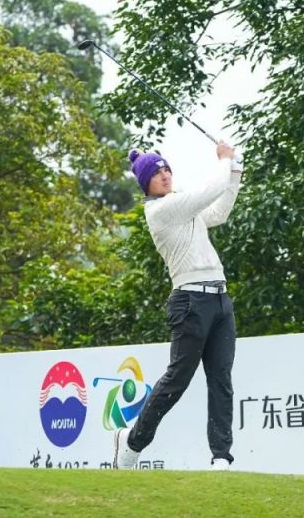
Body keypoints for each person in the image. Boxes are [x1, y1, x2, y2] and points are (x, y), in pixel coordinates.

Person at [114, 141, 243, 471]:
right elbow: (209, 191)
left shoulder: (184, 210)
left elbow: (219, 211)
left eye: (167, 169)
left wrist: (235, 171)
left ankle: (221, 456)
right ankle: (133, 442)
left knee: (221, 379)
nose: (165, 175)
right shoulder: (162, 210)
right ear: (146, 184)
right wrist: (225, 160)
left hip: (219, 299)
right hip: (190, 301)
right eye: (156, 173)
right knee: (177, 379)